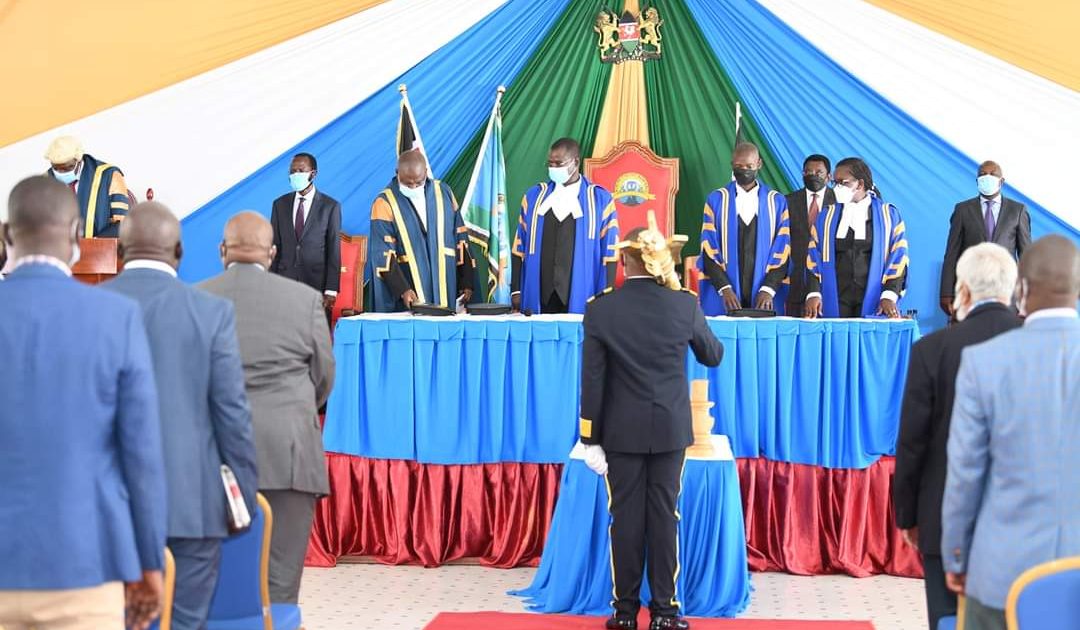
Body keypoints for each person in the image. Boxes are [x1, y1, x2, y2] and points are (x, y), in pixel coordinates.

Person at [0, 176, 166, 630]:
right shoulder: (116, 317)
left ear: (7, 235)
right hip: (86, 565)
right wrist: (148, 563)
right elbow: (142, 456)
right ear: (76, 234)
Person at [103, 202, 259, 630]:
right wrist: (242, 501)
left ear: (120, 251)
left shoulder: (88, 308)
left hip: (106, 511)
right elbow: (233, 418)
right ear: (179, 252)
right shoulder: (210, 312)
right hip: (192, 506)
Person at [580, 216, 724, 630]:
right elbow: (713, 355)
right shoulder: (684, 304)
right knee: (664, 516)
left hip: (619, 432)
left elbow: (592, 380)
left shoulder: (601, 308)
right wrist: (680, 297)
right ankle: (665, 611)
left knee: (624, 519)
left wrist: (589, 437)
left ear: (625, 262)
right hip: (669, 430)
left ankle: (624, 613)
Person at [941, 235, 1080, 630]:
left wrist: (956, 555)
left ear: (1021, 288)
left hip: (1001, 575)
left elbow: (965, 474)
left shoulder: (983, 363)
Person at [200, 212, 334, 604]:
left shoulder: (195, 299)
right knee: (280, 585)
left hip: (213, 458)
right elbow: (324, 377)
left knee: (216, 583)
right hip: (288, 453)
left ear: (222, 251)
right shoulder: (305, 300)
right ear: (272, 253)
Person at [893, 243, 1021, 630]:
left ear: (962, 291)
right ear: (1012, 290)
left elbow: (912, 442)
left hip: (943, 520)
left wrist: (909, 516)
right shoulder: (1035, 345)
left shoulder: (931, 350)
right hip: (1021, 521)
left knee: (949, 619)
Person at [512, 137, 620, 314]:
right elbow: (519, 246)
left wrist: (606, 295)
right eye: (550, 164)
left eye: (559, 163)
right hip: (539, 293)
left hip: (581, 292)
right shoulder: (533, 197)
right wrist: (516, 290)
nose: (553, 168)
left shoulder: (601, 200)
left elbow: (610, 252)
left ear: (575, 162)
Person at [367, 149, 474, 312]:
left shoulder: (444, 193)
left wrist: (466, 281)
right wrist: (403, 289)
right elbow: (382, 255)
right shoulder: (384, 203)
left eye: (418, 182)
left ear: (426, 172)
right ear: (397, 173)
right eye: (408, 183)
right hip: (409, 288)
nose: (413, 187)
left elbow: (461, 238)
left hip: (446, 284)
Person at [804, 157, 909, 318]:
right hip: (834, 295)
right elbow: (813, 256)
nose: (837, 188)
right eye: (835, 183)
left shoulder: (888, 215)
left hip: (874, 295)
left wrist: (889, 295)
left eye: (842, 183)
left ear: (860, 184)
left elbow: (898, 258)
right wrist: (813, 293)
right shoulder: (826, 215)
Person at [697, 142, 793, 315]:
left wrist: (768, 288)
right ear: (732, 165)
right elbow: (708, 248)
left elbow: (783, 250)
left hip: (764, 291)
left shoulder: (776, 201)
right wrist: (724, 288)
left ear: (759, 164)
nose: (744, 170)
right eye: (739, 166)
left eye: (749, 166)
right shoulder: (716, 200)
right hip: (725, 291)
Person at [939, 161, 1031, 318]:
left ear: (1001, 181)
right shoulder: (962, 210)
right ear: (977, 181)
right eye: (982, 174)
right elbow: (952, 253)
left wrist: (1029, 294)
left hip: (1007, 292)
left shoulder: (1017, 211)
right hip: (971, 289)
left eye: (993, 174)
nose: (987, 177)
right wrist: (946, 292)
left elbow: (1026, 257)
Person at [269, 152, 342, 312]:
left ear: (313, 174)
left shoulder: (330, 207)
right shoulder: (279, 205)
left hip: (316, 286)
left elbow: (333, 251)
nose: (295, 174)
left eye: (300, 171)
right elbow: (274, 246)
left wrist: (331, 290)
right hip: (284, 285)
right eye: (292, 171)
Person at [781, 154, 835, 316]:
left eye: (819, 172)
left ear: (829, 176)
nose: (813, 175)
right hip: (794, 281)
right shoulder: (787, 201)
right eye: (808, 172)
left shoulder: (840, 202)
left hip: (828, 280)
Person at [44, 135, 130, 237]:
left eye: (68, 167)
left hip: (99, 244)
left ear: (79, 160)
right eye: (56, 168)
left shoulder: (109, 176)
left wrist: (94, 242)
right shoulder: (45, 181)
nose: (62, 172)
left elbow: (122, 224)